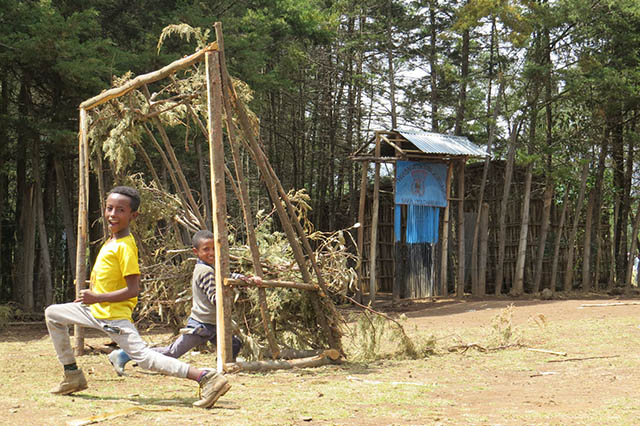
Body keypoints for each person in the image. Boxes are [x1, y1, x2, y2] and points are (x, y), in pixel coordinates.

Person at [44, 186, 229, 408]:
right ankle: (72, 374)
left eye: (120, 210)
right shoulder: (111, 241)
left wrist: (97, 297)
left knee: (145, 359)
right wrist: (90, 299)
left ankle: (205, 377)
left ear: (133, 215)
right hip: (94, 309)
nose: (113, 214)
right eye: (109, 208)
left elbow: (133, 290)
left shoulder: (125, 246)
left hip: (112, 316)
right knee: (53, 313)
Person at [108, 229, 262, 375]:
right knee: (172, 352)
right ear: (196, 252)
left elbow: (227, 276)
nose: (211, 253)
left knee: (234, 344)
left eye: (214, 248)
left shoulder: (211, 267)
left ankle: (225, 365)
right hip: (202, 324)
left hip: (213, 323)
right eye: (206, 249)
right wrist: (233, 291)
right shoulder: (205, 271)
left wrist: (246, 280)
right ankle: (124, 354)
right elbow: (215, 298)